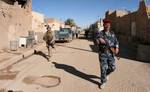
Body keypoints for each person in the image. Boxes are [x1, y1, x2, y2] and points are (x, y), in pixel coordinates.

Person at [96, 19, 119, 89]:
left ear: (109, 26)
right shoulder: (100, 33)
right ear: (104, 25)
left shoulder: (112, 33)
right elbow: (95, 41)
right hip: (103, 54)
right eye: (106, 25)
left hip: (111, 54)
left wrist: (117, 48)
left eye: (108, 25)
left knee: (113, 67)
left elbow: (116, 41)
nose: (107, 26)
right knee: (103, 68)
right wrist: (99, 40)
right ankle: (103, 82)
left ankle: (106, 74)